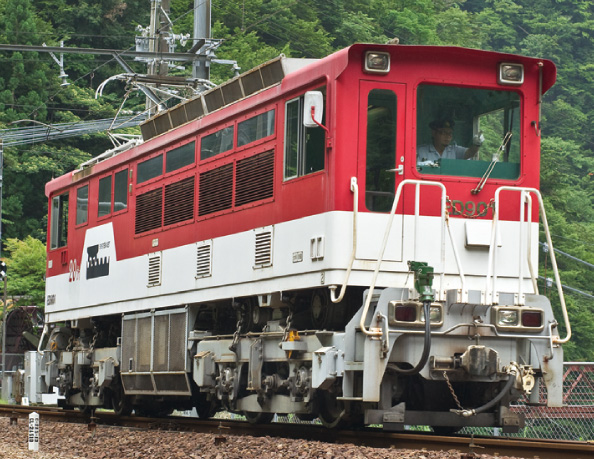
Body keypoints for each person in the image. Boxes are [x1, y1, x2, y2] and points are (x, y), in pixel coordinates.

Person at [417, 119, 483, 165]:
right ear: (434, 133)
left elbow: (470, 153)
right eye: (443, 132)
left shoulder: (454, 150)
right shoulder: (420, 151)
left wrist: (477, 144)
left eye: (450, 133)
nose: (448, 136)